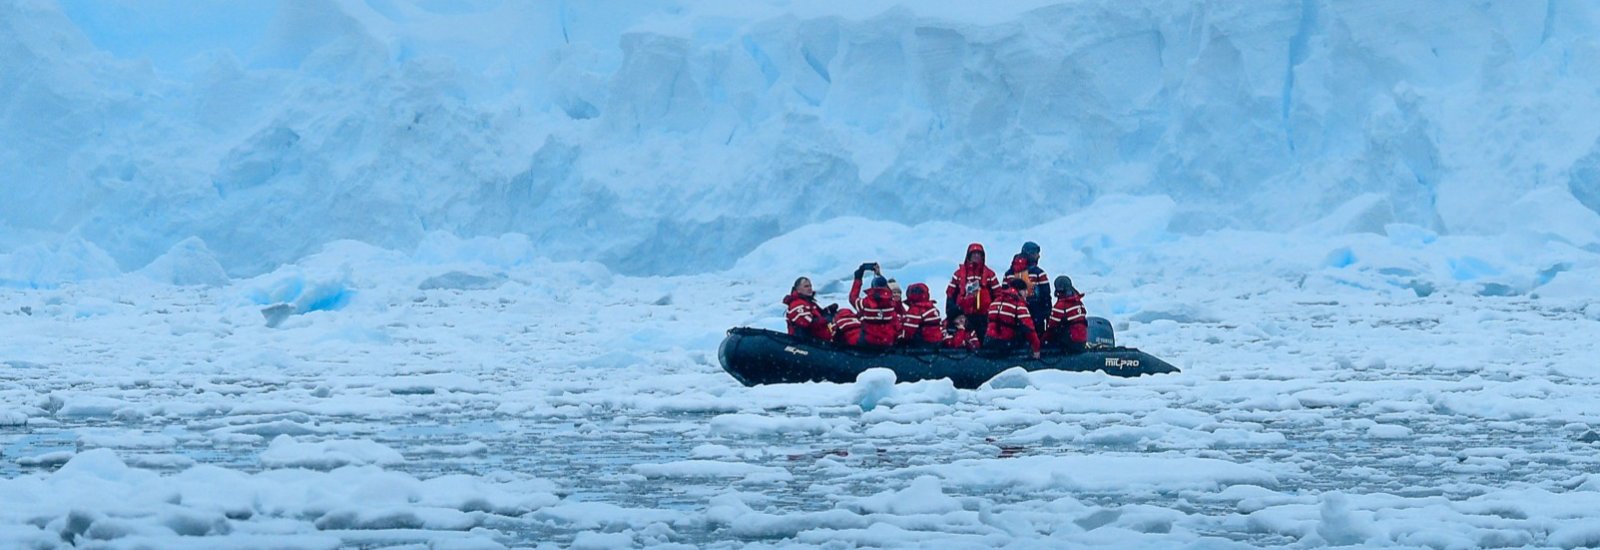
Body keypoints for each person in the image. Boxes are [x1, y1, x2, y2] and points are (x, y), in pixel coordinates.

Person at [946, 243, 1000, 342]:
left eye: (979, 254)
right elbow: (950, 293)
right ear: (968, 256)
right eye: (973, 254)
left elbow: (997, 294)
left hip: (984, 315)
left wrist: (994, 312)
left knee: (983, 337)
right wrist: (952, 311)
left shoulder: (990, 274)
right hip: (964, 314)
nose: (976, 256)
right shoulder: (958, 274)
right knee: (964, 337)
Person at [985, 278, 1041, 358]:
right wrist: (1036, 348)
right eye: (1025, 291)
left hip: (988, 340)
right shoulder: (1018, 305)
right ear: (1020, 291)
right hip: (1005, 343)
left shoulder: (995, 302)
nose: (1026, 294)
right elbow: (1029, 329)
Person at [850, 263, 901, 347]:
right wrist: (879, 276)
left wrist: (858, 278)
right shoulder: (892, 304)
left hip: (868, 341)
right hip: (888, 341)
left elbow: (853, 298)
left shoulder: (864, 303)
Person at [1003, 242, 1051, 328]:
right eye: (1036, 254)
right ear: (1030, 254)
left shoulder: (1009, 274)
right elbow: (1046, 296)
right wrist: (1047, 314)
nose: (1038, 256)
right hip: (1035, 315)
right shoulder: (1039, 273)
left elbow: (1003, 294)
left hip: (1012, 315)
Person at [1044, 275, 1088, 354]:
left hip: (1070, 342)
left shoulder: (1060, 306)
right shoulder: (1079, 302)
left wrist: (1042, 342)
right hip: (1082, 341)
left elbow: (1051, 327)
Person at [783, 277, 836, 341]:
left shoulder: (809, 303)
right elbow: (806, 323)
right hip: (806, 342)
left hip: (819, 341)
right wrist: (825, 319)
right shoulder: (797, 304)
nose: (810, 288)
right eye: (806, 286)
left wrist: (828, 311)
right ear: (798, 289)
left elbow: (818, 316)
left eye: (810, 286)